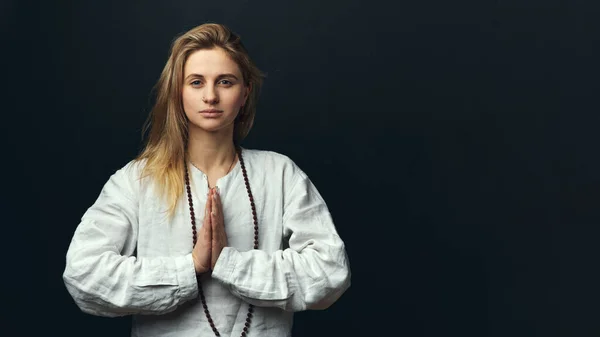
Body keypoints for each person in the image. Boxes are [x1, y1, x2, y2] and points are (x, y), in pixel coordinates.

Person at [62, 23, 351, 337]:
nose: (211, 96)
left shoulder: (280, 174)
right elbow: (83, 275)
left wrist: (230, 264)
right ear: (178, 91)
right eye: (196, 82)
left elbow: (331, 273)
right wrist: (190, 268)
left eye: (225, 82)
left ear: (244, 93)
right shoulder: (138, 180)